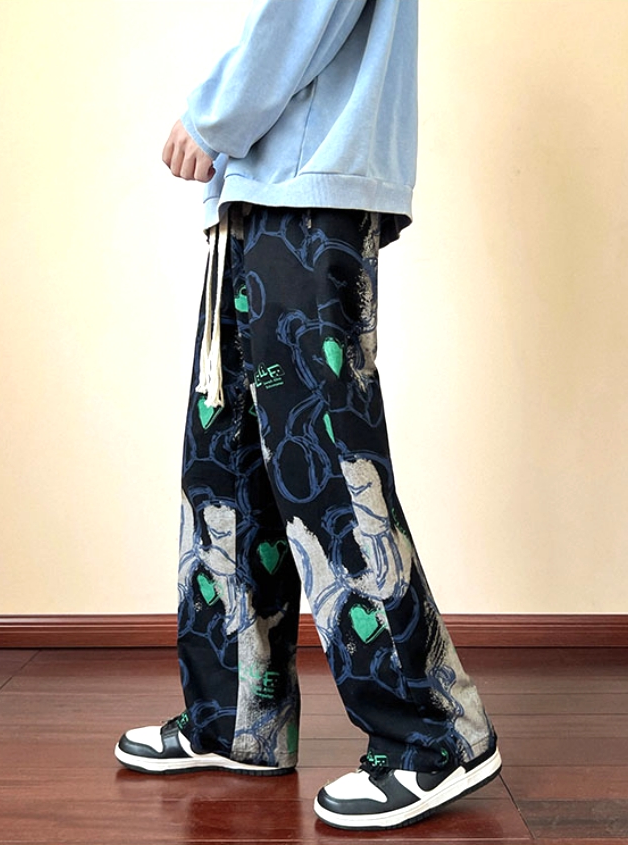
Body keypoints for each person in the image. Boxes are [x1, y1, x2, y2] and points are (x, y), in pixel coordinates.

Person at [114, 0, 501, 831]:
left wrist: (213, 117)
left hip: (304, 192)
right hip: (262, 195)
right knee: (228, 460)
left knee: (324, 464)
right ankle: (237, 717)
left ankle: (434, 732)